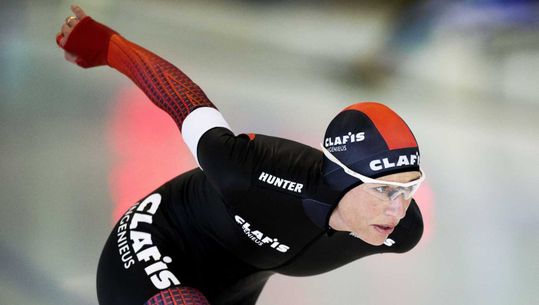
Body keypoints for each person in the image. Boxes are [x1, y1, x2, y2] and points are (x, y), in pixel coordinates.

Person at [56, 5, 425, 305]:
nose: (398, 208)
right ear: (342, 179)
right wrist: (107, 46)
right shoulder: (252, 171)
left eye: (408, 190)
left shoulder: (401, 230)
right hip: (155, 246)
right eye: (382, 190)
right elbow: (184, 101)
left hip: (233, 289)